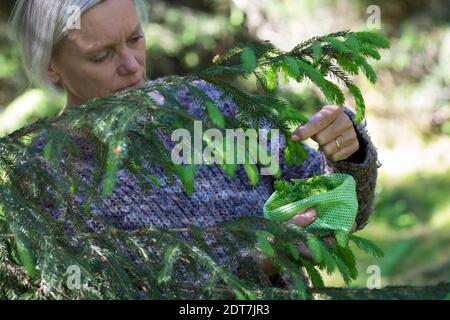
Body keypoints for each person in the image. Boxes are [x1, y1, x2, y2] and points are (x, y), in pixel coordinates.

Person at [8, 0, 380, 291]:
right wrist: (248, 268)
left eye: (135, 39)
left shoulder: (209, 106)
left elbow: (341, 215)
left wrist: (347, 157)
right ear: (51, 64)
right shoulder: (43, 175)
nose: (132, 66)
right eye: (101, 55)